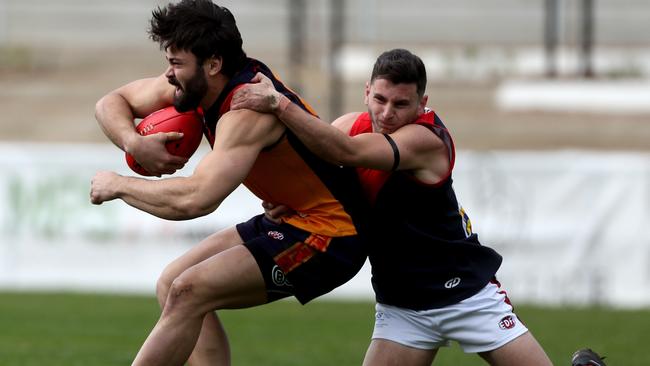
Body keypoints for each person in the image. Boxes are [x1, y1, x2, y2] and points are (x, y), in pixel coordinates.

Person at [230, 48, 553, 365]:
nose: (387, 113)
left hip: (465, 294)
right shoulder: (348, 128)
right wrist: (287, 202)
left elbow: (345, 153)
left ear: (421, 104)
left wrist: (280, 103)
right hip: (402, 306)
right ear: (367, 92)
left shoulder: (426, 141)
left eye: (401, 104)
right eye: (380, 100)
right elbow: (313, 171)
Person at [89, 1, 369, 365]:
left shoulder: (247, 110)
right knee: (171, 282)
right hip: (291, 217)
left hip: (332, 235)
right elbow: (111, 102)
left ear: (214, 63)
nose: (169, 74)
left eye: (176, 63)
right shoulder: (195, 84)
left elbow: (197, 199)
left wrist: (120, 185)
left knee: (189, 291)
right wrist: (134, 142)